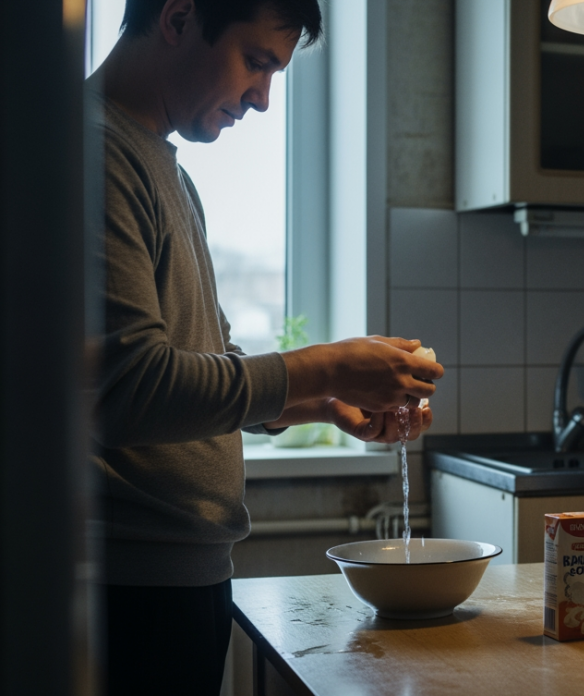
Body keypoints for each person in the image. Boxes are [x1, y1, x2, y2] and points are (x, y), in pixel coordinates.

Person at [87, 1, 441, 693]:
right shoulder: (91, 154)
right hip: (124, 589)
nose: (263, 100)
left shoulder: (161, 167)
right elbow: (130, 387)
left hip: (174, 578)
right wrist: (329, 364)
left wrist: (324, 400)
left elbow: (207, 360)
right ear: (178, 16)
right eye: (256, 62)